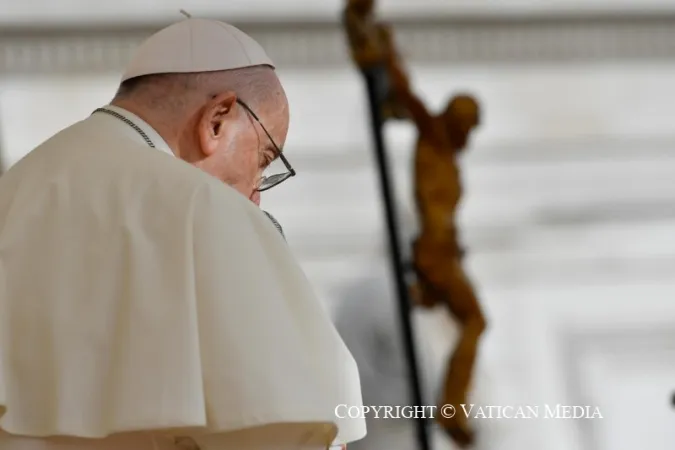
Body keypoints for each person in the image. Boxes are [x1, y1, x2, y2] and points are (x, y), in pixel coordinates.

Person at [0, 18, 365, 450]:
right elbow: (282, 427)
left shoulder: (13, 190)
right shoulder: (205, 208)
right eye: (264, 158)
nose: (255, 196)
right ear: (217, 119)